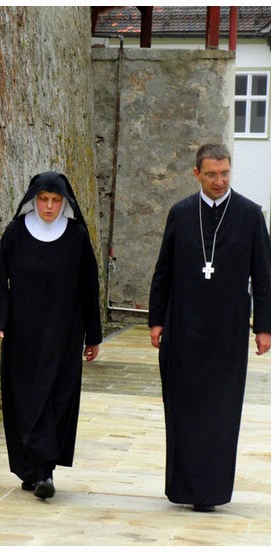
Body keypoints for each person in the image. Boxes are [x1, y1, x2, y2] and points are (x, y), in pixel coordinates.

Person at [148, 143, 271, 512]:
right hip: (183, 324)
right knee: (183, 405)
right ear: (196, 174)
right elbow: (164, 270)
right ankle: (184, 488)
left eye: (225, 173)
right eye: (212, 174)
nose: (220, 181)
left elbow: (263, 277)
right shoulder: (181, 213)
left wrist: (263, 327)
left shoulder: (250, 215)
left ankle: (211, 492)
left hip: (228, 329)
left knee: (220, 409)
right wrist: (156, 319)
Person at [0, 171, 102, 500]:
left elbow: (89, 287)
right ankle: (33, 469)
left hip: (64, 333)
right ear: (34, 200)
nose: (49, 206)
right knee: (25, 399)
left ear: (65, 203)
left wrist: (93, 335)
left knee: (56, 398)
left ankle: (45, 470)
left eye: (55, 200)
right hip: (23, 333)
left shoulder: (76, 236)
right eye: (44, 199)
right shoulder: (16, 233)